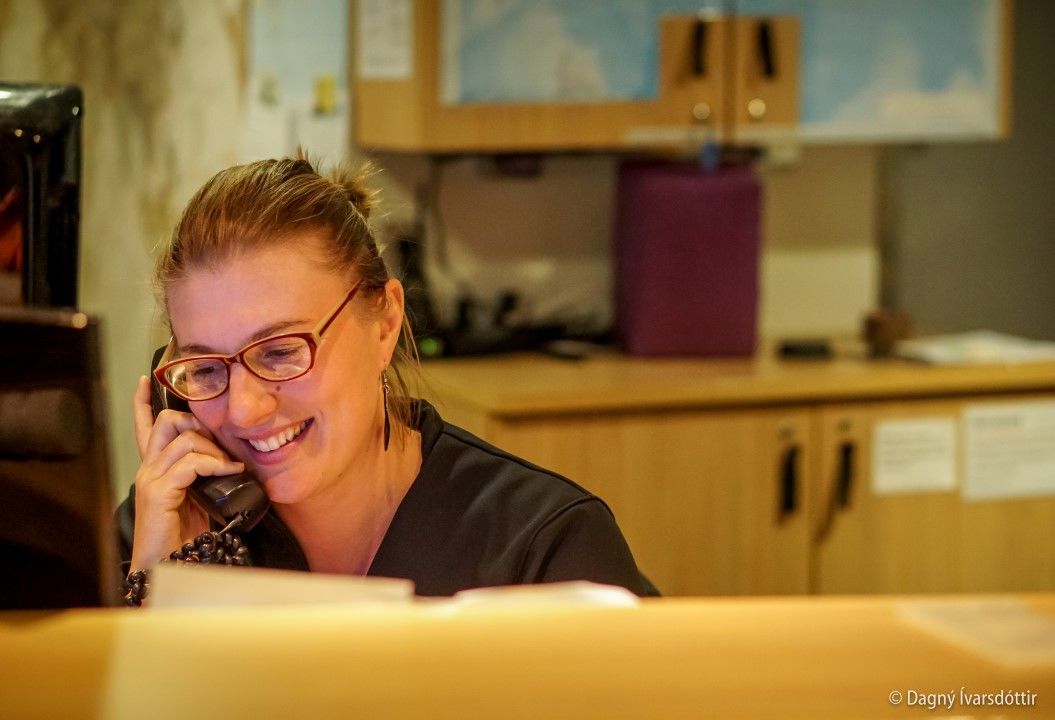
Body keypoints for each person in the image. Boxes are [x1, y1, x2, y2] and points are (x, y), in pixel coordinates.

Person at [115, 155, 658, 600]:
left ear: (385, 324)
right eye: (206, 369)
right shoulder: (164, 526)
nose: (243, 409)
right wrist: (160, 583)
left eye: (281, 352)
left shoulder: (543, 548)